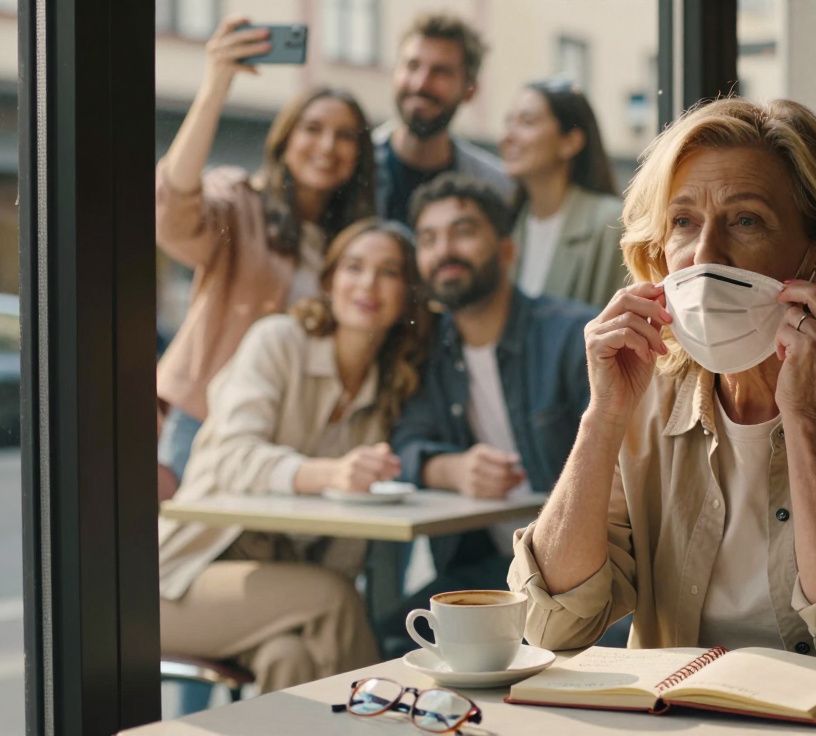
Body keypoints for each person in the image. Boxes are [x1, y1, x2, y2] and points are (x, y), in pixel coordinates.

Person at [508, 98, 816, 681]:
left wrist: (806, 417)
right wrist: (603, 417)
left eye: (745, 220)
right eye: (683, 222)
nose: (705, 255)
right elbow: (553, 624)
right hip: (687, 717)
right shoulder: (648, 384)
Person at [158, 220, 429, 693]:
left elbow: (346, 546)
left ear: (407, 295)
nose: (368, 283)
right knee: (334, 598)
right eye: (354, 267)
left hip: (276, 590)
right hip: (179, 579)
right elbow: (230, 457)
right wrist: (329, 474)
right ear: (328, 282)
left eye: (388, 272)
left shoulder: (386, 390)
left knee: (291, 658)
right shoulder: (278, 340)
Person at [156, 16, 375, 486]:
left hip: (299, 436)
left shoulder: (356, 244)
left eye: (344, 136)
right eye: (312, 129)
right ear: (286, 139)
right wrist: (217, 83)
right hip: (207, 420)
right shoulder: (242, 204)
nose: (326, 145)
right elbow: (172, 214)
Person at [386, 174, 594, 644]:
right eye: (429, 238)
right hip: (489, 574)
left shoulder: (572, 337)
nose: (445, 250)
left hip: (580, 579)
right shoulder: (431, 355)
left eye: (463, 231)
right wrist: (452, 469)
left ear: (505, 249)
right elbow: (405, 443)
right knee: (389, 639)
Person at [375, 13, 514, 222]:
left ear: (470, 90)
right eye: (412, 66)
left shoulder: (496, 186)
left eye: (441, 72)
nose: (421, 83)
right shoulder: (355, 164)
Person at [500, 79, 626, 307]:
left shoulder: (610, 224)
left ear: (571, 141)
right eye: (509, 122)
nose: (507, 137)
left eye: (526, 122)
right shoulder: (507, 226)